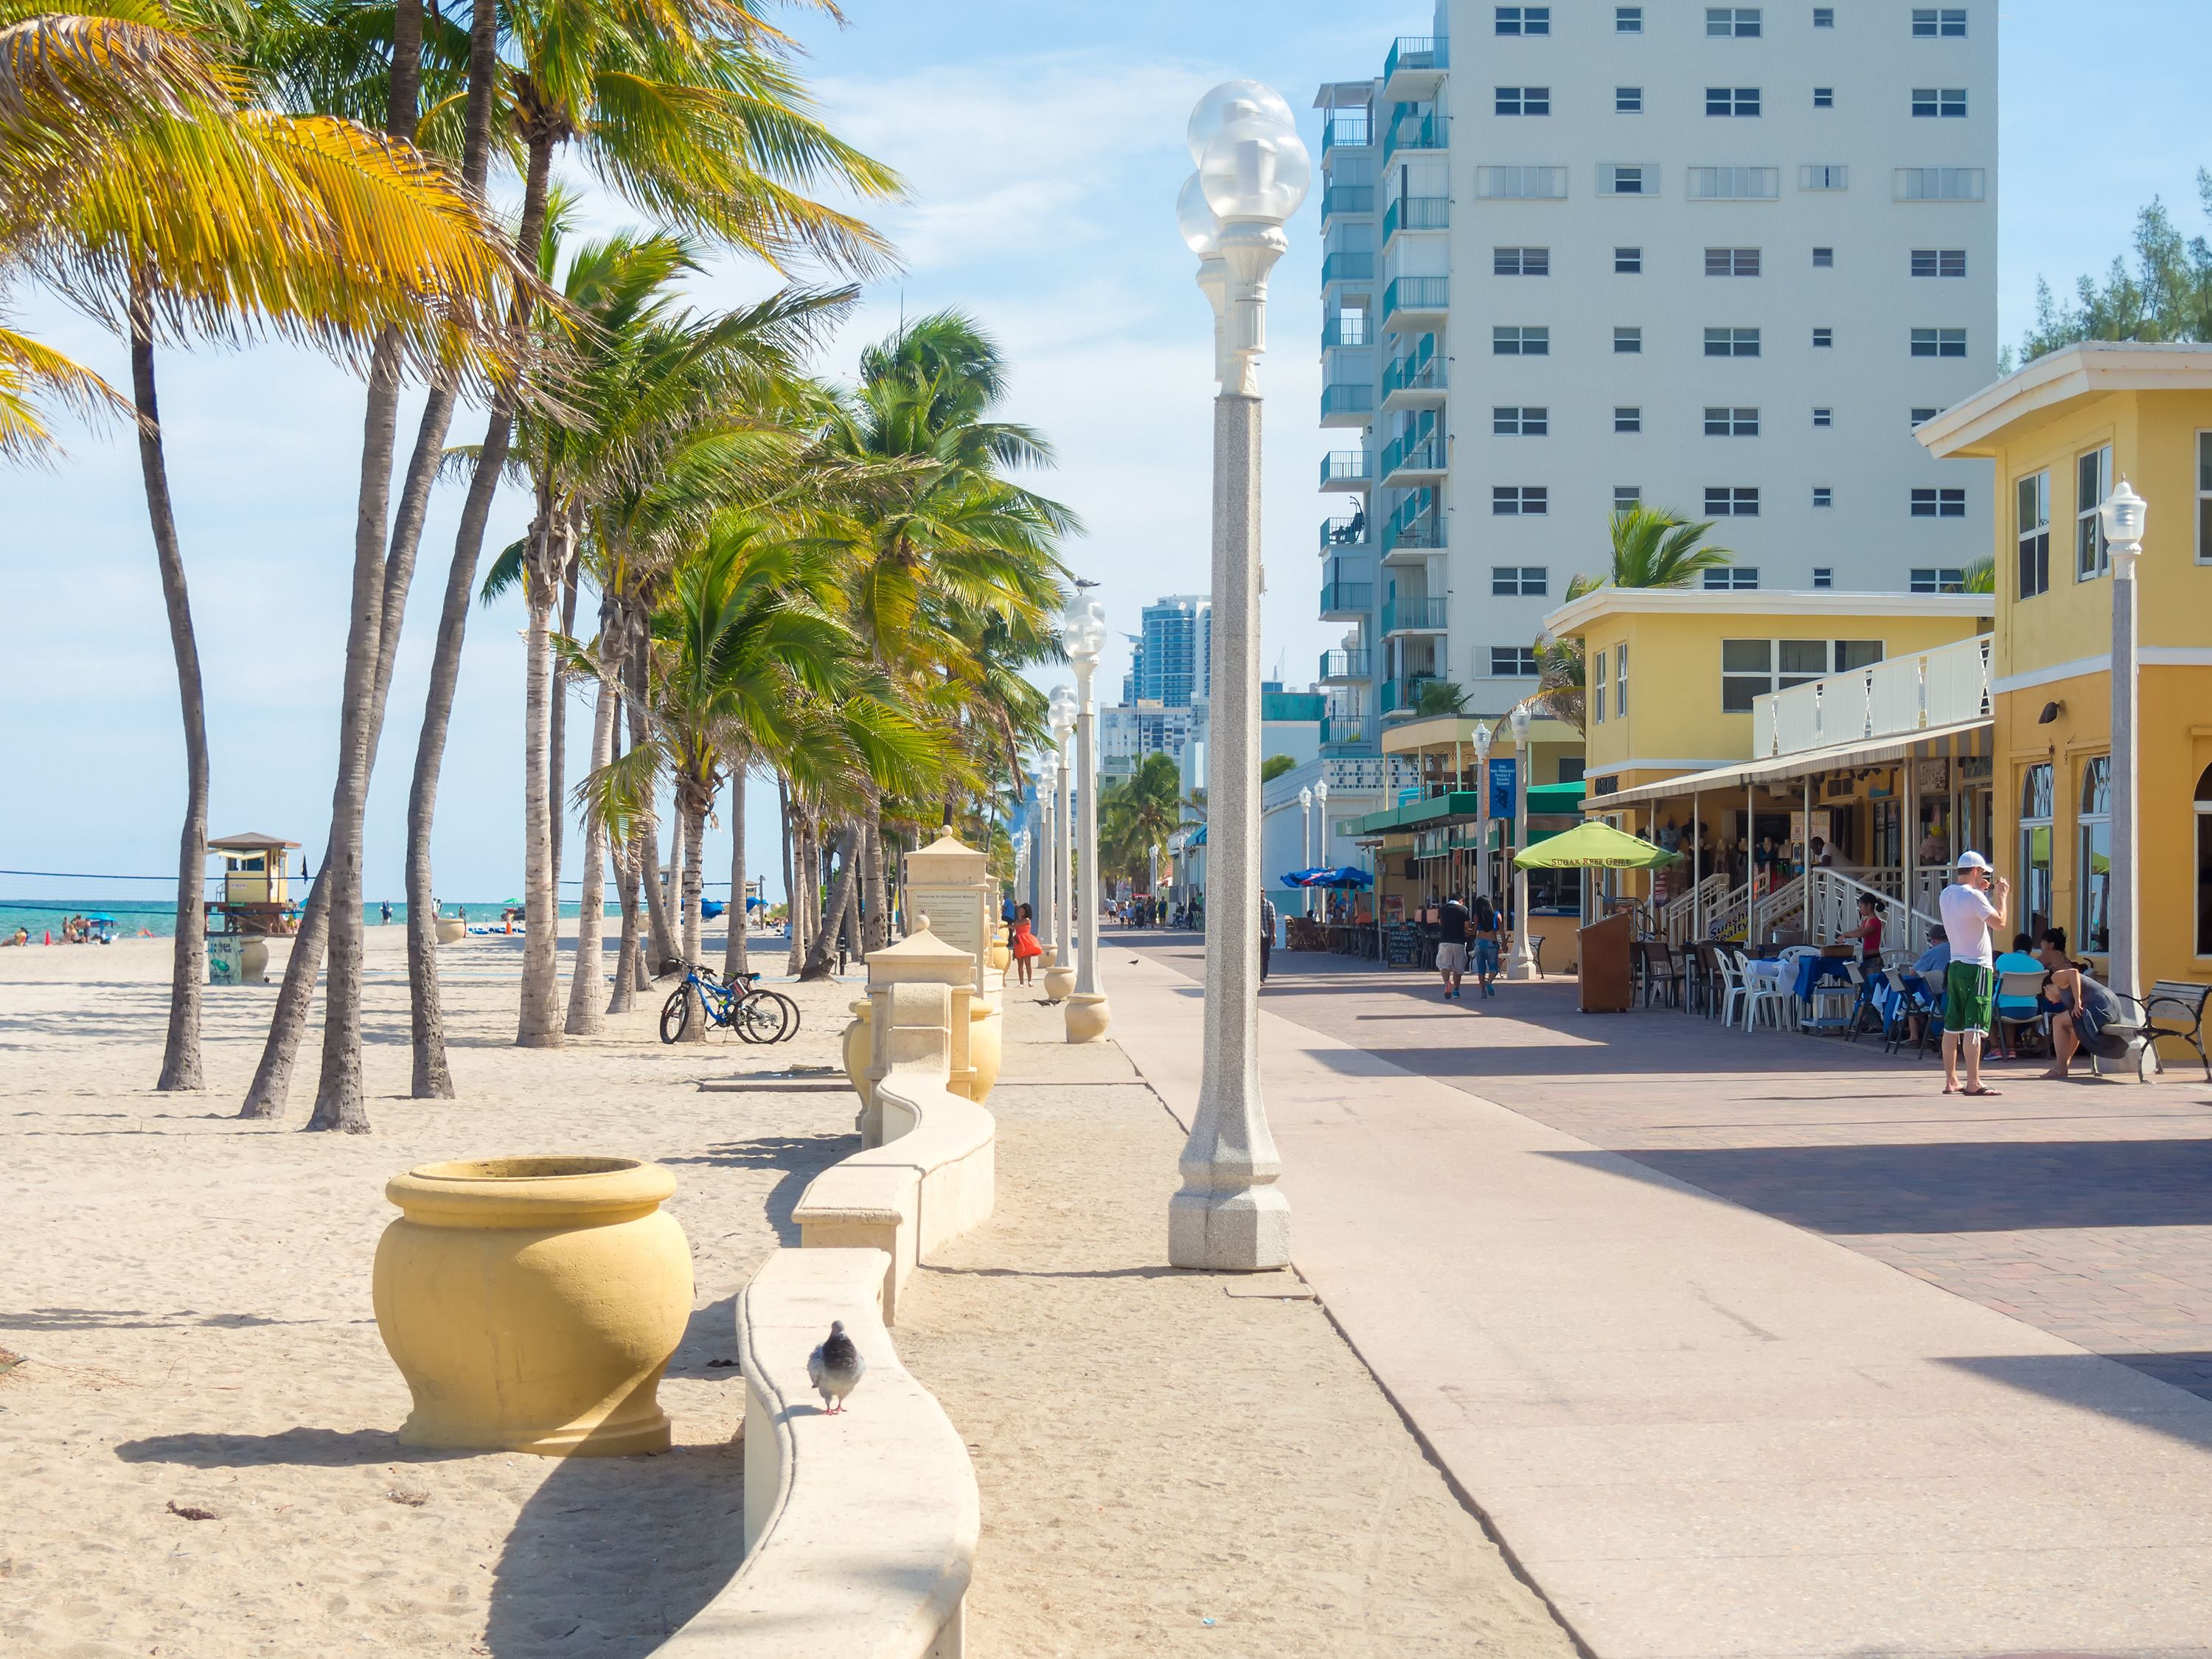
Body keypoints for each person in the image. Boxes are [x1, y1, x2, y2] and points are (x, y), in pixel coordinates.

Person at [1937, 851, 2009, 1096]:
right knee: (1975, 1025)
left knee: (1952, 1025)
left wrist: (1981, 892)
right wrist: (2001, 898)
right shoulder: (1975, 897)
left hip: (1955, 964)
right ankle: (1974, 1081)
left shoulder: (1946, 894)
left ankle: (1951, 1080)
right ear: (1977, 871)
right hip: (1977, 967)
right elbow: (1999, 923)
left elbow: (1967, 908)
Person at [1436, 891, 1471, 999]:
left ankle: (1447, 982)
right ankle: (1456, 990)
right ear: (1461, 901)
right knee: (1458, 967)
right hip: (1459, 941)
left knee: (1444, 965)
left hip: (1445, 940)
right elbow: (1467, 926)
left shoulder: (1442, 909)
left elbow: (1440, 922)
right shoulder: (1463, 909)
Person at [1470, 894, 1503, 998]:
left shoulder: (1477, 916)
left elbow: (1474, 930)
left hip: (1479, 942)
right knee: (1494, 968)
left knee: (1481, 969)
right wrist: (1504, 944)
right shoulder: (1497, 914)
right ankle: (1489, 982)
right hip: (1491, 942)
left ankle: (1483, 993)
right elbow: (1501, 931)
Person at [1009, 902, 1042, 987]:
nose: (1020, 913)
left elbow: (1015, 926)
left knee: (1028, 963)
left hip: (1026, 942)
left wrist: (1004, 926)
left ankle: (1030, 981)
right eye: (1020, 911)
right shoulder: (1018, 920)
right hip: (1019, 942)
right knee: (1020, 964)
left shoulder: (1027, 920)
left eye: (1022, 911)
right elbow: (1017, 928)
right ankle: (1021, 982)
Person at [1846, 893, 1883, 963]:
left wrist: (1846, 934)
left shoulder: (1874, 921)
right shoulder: (1866, 921)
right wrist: (1844, 935)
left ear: (1868, 906)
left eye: (1861, 907)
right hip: (1867, 958)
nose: (1860, 910)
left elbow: (1862, 934)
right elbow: (1857, 931)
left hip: (1873, 959)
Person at [1259, 892, 1277, 984]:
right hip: (1256, 935)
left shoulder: (1269, 905)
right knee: (1256, 956)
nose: (1260, 893)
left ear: (1264, 893)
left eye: (1262, 891)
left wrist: (1274, 935)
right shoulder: (1252, 904)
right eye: (1259, 891)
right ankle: (1257, 976)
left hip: (1266, 934)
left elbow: (1272, 920)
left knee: (1265, 957)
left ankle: (1264, 976)